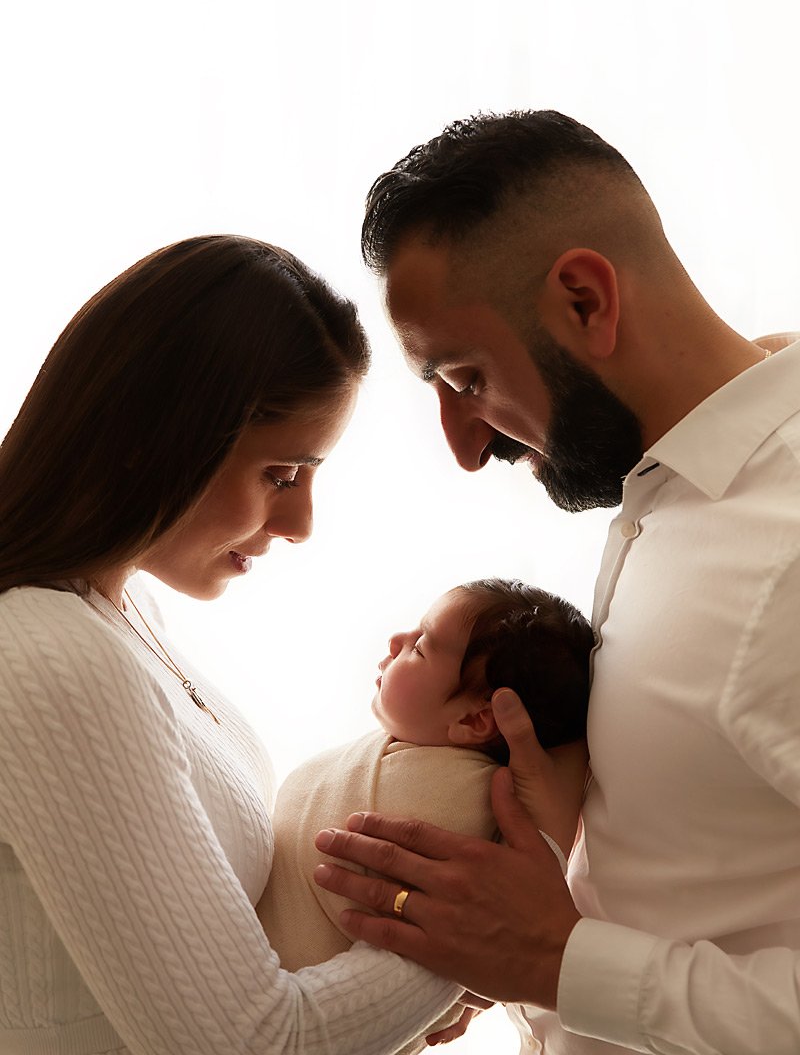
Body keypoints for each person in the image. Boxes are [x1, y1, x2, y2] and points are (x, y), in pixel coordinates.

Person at [312, 111, 800, 1055]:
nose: (464, 446)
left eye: (466, 378)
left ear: (585, 301)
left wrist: (560, 964)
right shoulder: (678, 489)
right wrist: (515, 951)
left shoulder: (784, 545)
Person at [0, 233, 473, 1055]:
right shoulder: (48, 653)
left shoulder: (125, 616)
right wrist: (460, 947)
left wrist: (391, 997)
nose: (301, 523)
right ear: (156, 437)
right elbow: (248, 1046)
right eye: (281, 475)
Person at [257, 577, 592, 1047]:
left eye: (420, 647)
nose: (397, 640)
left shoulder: (461, 800)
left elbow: (456, 943)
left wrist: (452, 995)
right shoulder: (411, 751)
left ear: (474, 719)